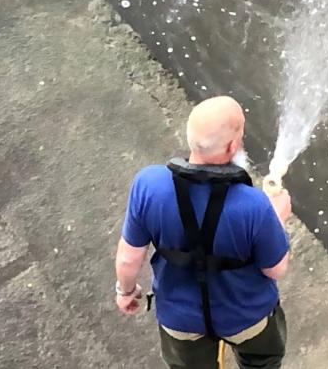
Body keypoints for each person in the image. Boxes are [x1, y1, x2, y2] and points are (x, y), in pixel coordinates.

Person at [114, 96, 294, 369]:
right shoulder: (254, 205)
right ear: (233, 145)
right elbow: (275, 269)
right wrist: (276, 218)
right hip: (246, 316)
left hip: (180, 321)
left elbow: (129, 258)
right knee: (263, 362)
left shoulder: (148, 185)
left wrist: (125, 291)